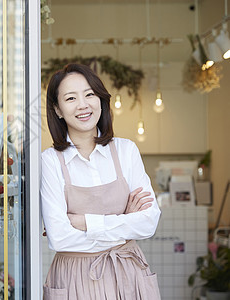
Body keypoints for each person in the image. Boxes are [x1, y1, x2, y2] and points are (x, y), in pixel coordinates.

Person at [41, 63, 161, 300]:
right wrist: (125, 223)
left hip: (128, 272)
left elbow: (148, 223)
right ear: (57, 109)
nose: (83, 105)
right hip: (74, 277)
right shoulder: (50, 161)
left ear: (101, 99)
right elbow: (59, 237)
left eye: (89, 94)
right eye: (71, 98)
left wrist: (84, 222)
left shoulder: (126, 150)